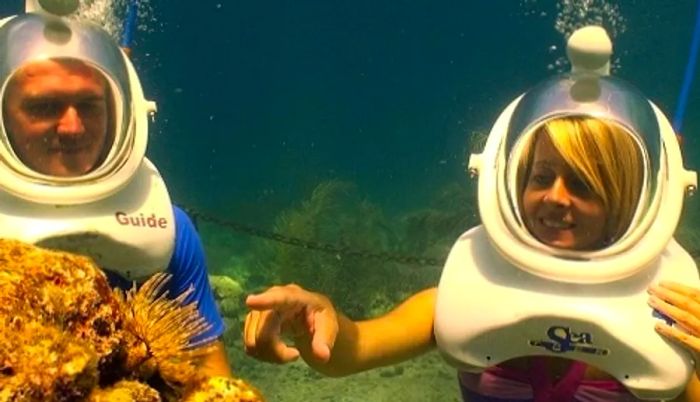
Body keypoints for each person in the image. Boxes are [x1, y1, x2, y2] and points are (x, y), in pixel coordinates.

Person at [243, 26, 700, 402]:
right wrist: (313, 318)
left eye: (584, 184)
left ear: (624, 196)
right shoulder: (469, 287)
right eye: (540, 177)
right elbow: (354, 349)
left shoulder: (669, 308)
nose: (556, 198)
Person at [0, 4, 231, 378]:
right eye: (44, 106)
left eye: (90, 106)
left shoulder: (172, 234)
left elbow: (212, 380)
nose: (73, 128)